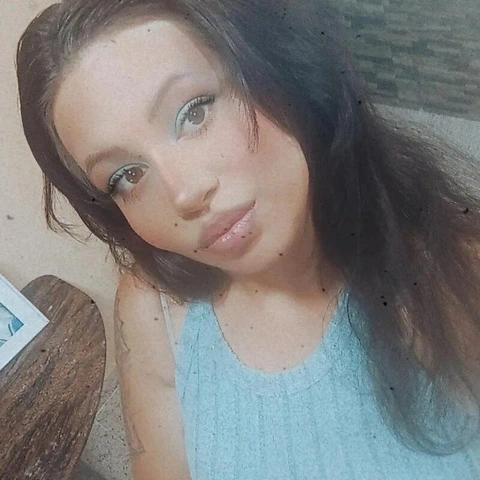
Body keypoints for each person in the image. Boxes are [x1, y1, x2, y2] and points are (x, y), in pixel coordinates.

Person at [16, 1, 480, 478]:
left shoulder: (449, 272)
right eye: (127, 175)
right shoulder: (152, 305)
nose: (184, 194)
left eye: (194, 112)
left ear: (277, 66)